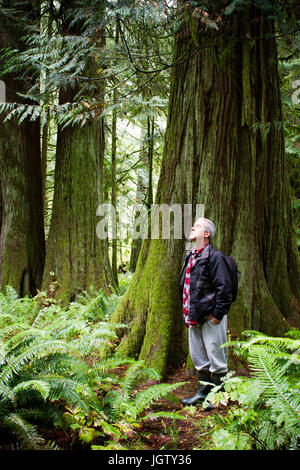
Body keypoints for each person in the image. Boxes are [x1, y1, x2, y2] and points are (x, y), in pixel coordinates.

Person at [179, 218, 233, 408]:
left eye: (198, 226)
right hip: (194, 316)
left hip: (212, 318)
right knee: (199, 357)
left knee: (216, 357)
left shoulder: (214, 257)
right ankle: (203, 393)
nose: (193, 227)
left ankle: (218, 396)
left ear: (207, 234)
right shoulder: (191, 255)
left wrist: (218, 314)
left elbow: (224, 288)